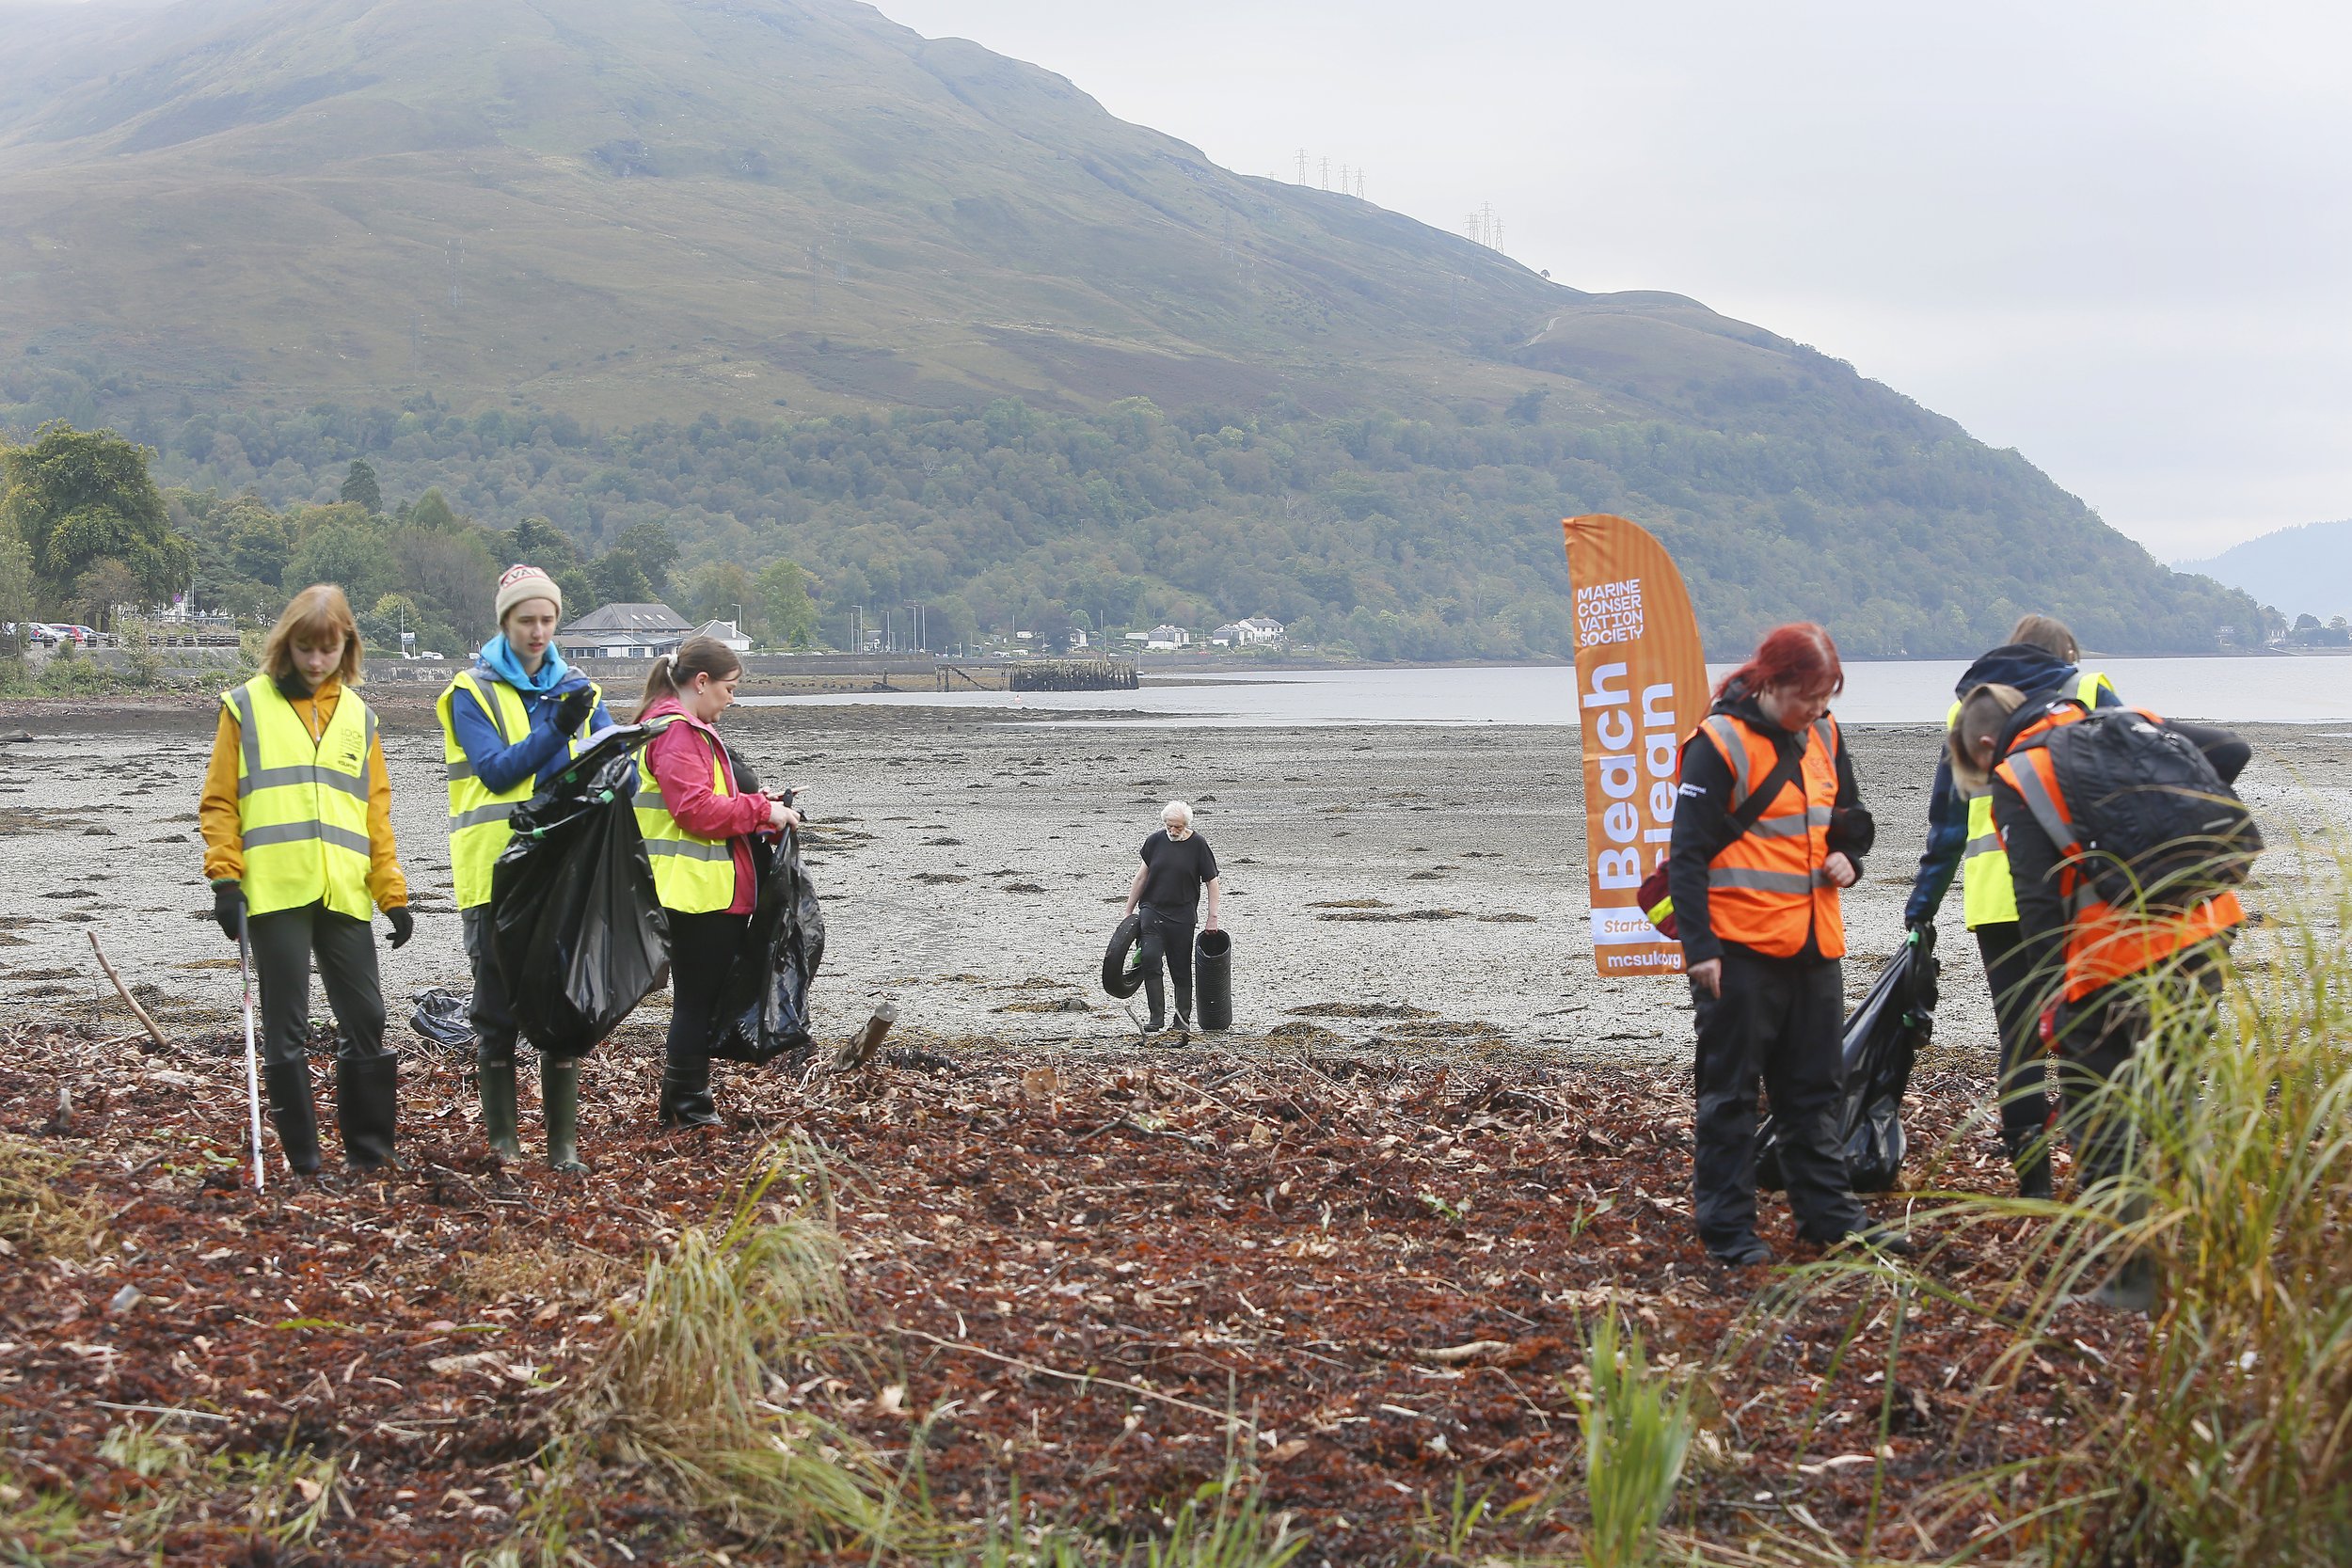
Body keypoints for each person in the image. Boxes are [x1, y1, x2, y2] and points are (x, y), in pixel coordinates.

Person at [1954, 684, 2249, 1308]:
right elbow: (2231, 747)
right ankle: (2208, 1247)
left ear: (1986, 742)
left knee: (2101, 1120)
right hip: (2202, 933)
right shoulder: (2129, 721)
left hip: (2109, 967)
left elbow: (2036, 905)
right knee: (2174, 1097)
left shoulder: (2019, 772)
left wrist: (2049, 1000)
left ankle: (2131, 1280)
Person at [1665, 623, 1904, 1266]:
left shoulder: (1824, 733)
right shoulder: (1718, 743)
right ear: (1770, 682)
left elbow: (1851, 819)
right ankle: (1728, 1230)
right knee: (1730, 1094)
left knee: (1815, 1089)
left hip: (1815, 946)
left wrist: (1850, 857)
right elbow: (1685, 856)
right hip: (1737, 951)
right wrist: (1701, 950)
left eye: (1827, 697)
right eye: (1807, 696)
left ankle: (1828, 1216)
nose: (1817, 710)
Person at [1905, 614, 2120, 1198]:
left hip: (1997, 901)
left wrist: (1921, 907)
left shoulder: (1966, 711)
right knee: (2087, 1036)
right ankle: (2100, 1182)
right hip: (2078, 897)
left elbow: (1947, 828)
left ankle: (2034, 1188)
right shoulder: (2089, 692)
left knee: (2020, 1041)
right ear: (2065, 651)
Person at [199, 584, 411, 1178]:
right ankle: (304, 1158)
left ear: (347, 646)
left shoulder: (360, 717)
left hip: (343, 890)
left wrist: (391, 893)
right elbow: (219, 801)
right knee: (284, 1024)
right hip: (274, 891)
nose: (315, 661)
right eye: (304, 648)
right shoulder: (245, 706)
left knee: (366, 1017)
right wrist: (225, 879)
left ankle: (369, 1151)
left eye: (327, 649)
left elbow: (374, 812)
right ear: (285, 644)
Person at [436, 563, 616, 1171]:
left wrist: (622, 761)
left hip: (561, 872)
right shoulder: (471, 691)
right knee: (496, 1010)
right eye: (526, 620)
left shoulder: (578, 685)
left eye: (547, 619)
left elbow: (610, 755)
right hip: (493, 872)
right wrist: (558, 727)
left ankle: (562, 1146)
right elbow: (497, 771)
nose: (539, 631)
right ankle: (504, 1141)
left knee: (561, 1005)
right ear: (505, 622)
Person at [634, 636, 801, 1127]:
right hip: (697, 892)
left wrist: (758, 806)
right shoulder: (678, 732)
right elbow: (694, 811)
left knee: (694, 1000)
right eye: (729, 689)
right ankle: (688, 1107)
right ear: (701, 682)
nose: (732, 699)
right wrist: (762, 809)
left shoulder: (664, 727)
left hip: (687, 886)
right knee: (695, 1002)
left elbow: (702, 798)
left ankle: (683, 1100)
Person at [1122, 800, 1222, 1037]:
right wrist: (1128, 910)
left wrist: (1212, 917)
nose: (1173, 831)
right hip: (1152, 910)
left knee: (1180, 969)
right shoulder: (1155, 841)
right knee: (1150, 960)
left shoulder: (1198, 845)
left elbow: (1212, 882)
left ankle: (1181, 1019)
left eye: (1178, 827)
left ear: (1186, 825)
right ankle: (1155, 1017)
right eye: (1169, 826)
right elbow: (1141, 878)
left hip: (1183, 916)